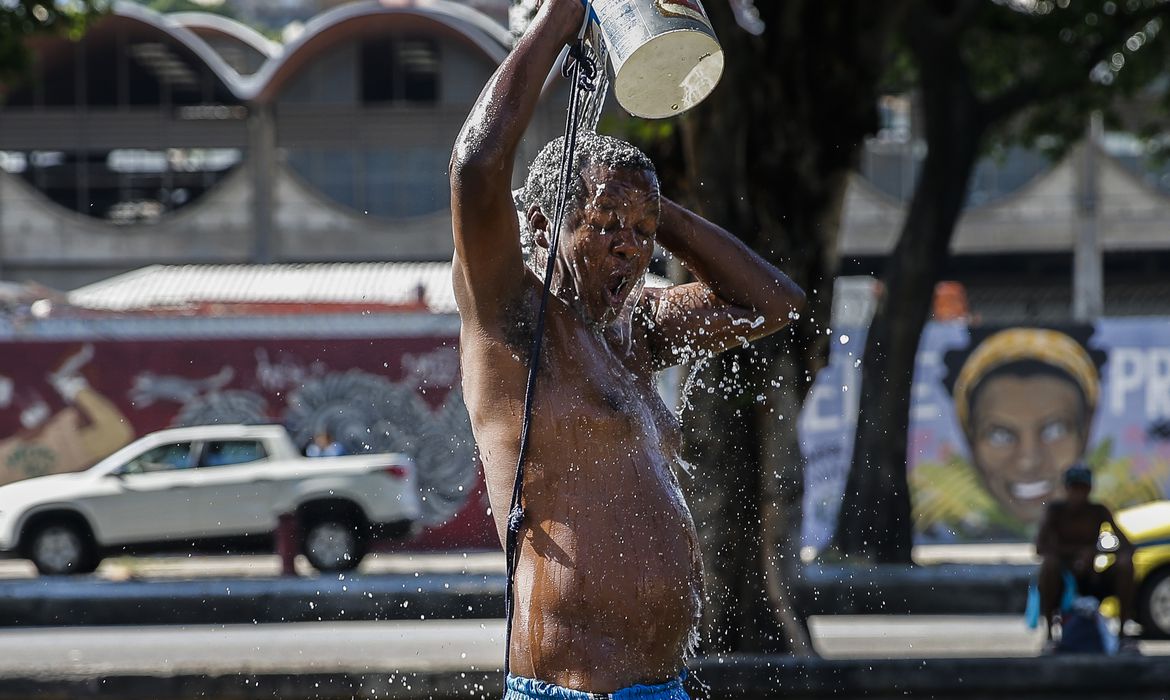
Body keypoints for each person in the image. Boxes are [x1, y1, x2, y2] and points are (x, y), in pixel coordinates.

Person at [449, 0, 804, 696]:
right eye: (607, 223)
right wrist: (559, 18)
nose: (630, 247)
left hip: (661, 686)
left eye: (642, 233)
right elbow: (474, 171)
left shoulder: (636, 328)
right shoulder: (511, 317)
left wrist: (652, 204)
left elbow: (775, 304)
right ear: (547, 225)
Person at [1036, 464, 1137, 649]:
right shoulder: (1055, 512)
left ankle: (1123, 633)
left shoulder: (1098, 511)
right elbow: (1040, 547)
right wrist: (1074, 554)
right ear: (1066, 489)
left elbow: (1127, 546)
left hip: (1093, 576)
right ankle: (1050, 636)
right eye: (1074, 489)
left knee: (1125, 564)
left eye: (1082, 489)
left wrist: (1095, 552)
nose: (1078, 494)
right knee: (1049, 565)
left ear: (1089, 489)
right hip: (1064, 580)